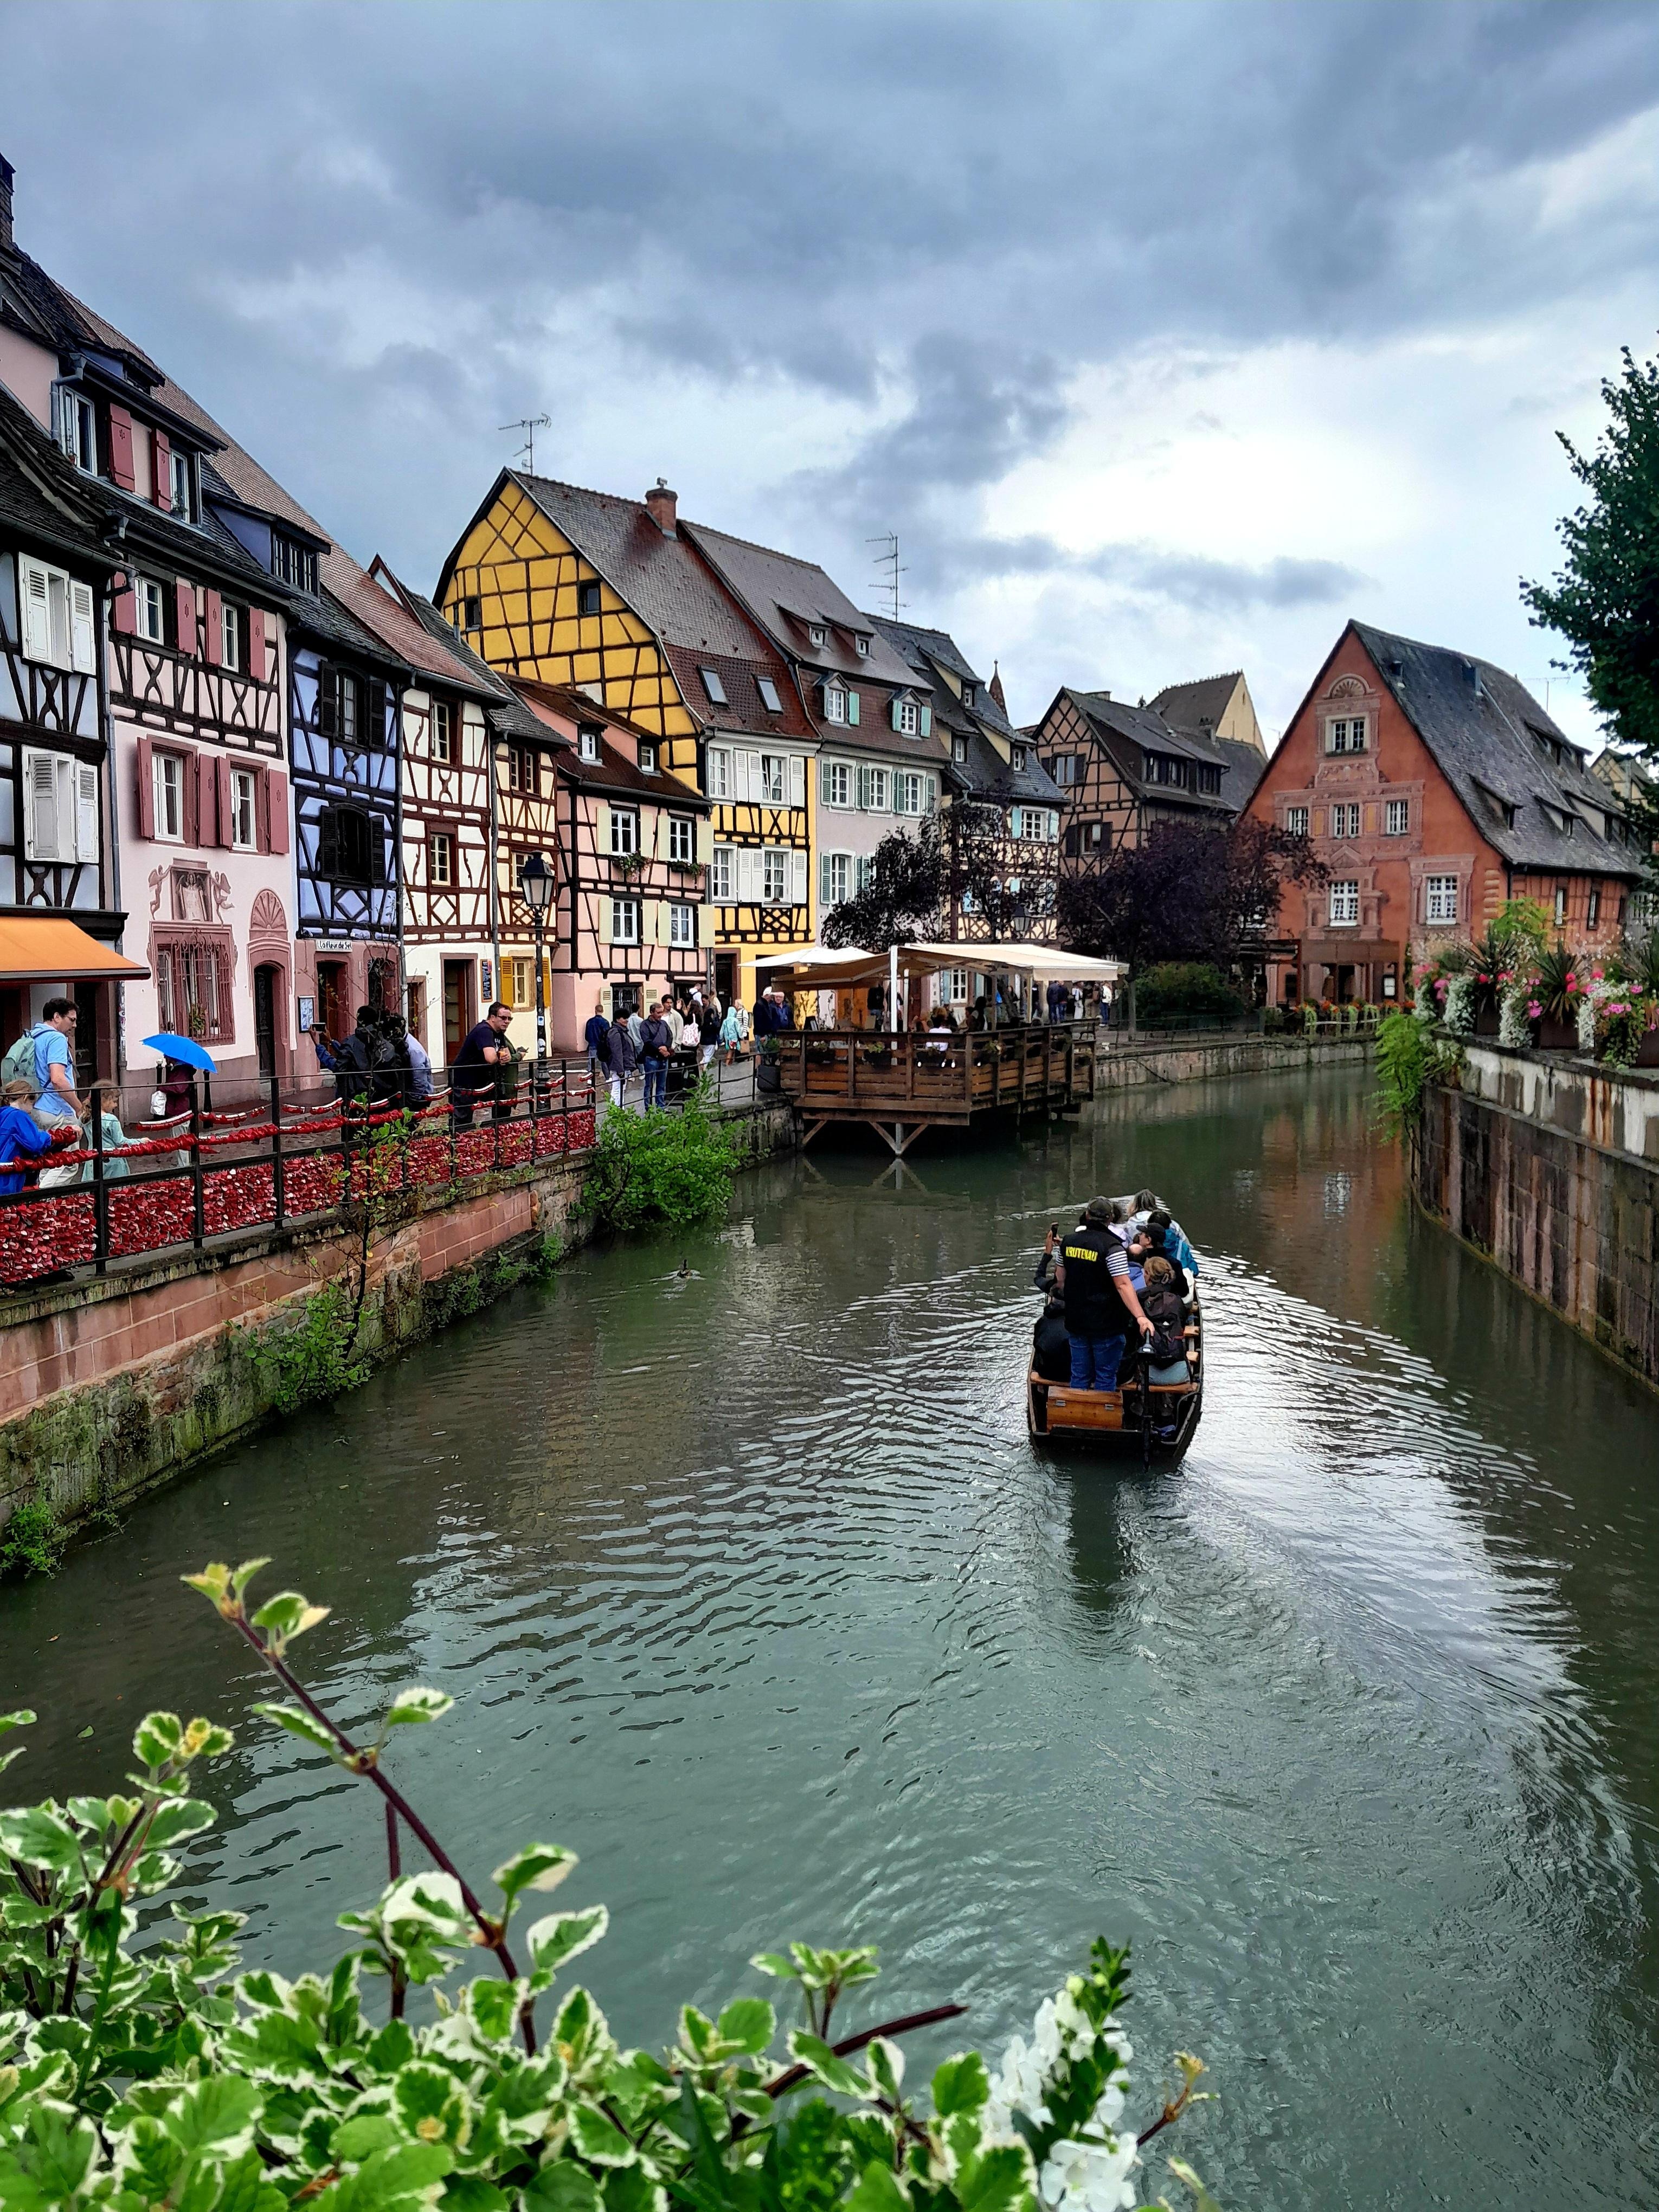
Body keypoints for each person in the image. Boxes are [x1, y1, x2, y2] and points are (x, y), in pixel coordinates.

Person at [1056, 1194, 1152, 1392]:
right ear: (1110, 1219)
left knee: (1079, 1374)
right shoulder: (1113, 1248)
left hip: (1076, 1322)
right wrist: (1141, 1317)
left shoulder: (1067, 1243)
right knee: (1106, 1376)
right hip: (1106, 1325)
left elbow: (1060, 1280)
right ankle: (1103, 1418)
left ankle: (1076, 1417)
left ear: (1087, 1215)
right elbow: (1123, 1285)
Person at [453, 1001, 513, 1128]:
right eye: (503, 1018)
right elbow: (491, 1058)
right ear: (492, 1018)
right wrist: (500, 1056)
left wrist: (503, 1057)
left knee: (503, 1105)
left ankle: (498, 1134)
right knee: (462, 1119)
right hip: (464, 1079)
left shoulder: (499, 1033)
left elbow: (506, 1055)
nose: (507, 1021)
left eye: (509, 1019)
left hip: (483, 1079)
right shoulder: (484, 1031)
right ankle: (457, 1143)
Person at [0, 1078, 59, 1194]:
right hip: (8, 1178)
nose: (31, 1110)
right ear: (26, 1098)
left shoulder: (3, 1113)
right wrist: (47, 1137)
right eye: (32, 1103)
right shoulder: (19, 1116)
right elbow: (35, 1143)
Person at [1141, 1255, 1189, 1383]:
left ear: (1147, 1275)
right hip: (1180, 1373)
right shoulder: (1177, 1301)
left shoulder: (1139, 1299)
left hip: (1148, 1374)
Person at [80, 1084, 135, 1180]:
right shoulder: (111, 1119)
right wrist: (141, 1142)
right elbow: (120, 1142)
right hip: (112, 1163)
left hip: (93, 1161)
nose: (116, 1105)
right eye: (114, 1102)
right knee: (115, 1191)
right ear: (105, 1101)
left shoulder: (85, 1117)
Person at [638, 999, 673, 1111]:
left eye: (662, 1012)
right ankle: (648, 1108)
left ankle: (661, 1107)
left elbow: (670, 1036)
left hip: (663, 1059)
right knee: (649, 1085)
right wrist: (660, 1050)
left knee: (661, 1085)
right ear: (652, 1012)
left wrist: (666, 1048)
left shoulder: (664, 1023)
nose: (661, 1015)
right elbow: (647, 1041)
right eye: (658, 1013)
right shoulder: (645, 1025)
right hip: (651, 1058)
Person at [1032, 1291, 1072, 1382]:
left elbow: (1036, 1344)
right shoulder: (1075, 1322)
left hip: (1046, 1371)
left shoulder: (1042, 1321)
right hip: (1069, 1374)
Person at [604, 1006, 637, 1108]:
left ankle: (619, 1109)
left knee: (621, 1088)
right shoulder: (616, 1032)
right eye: (624, 1018)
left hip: (623, 1066)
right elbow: (617, 1052)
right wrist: (620, 1069)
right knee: (617, 1088)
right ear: (618, 1019)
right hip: (619, 1067)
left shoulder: (621, 1031)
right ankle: (616, 1110)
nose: (627, 1020)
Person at [584, 998, 610, 1088]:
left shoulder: (590, 1022)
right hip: (602, 1045)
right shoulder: (605, 1022)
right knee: (604, 1062)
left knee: (591, 1062)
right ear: (602, 1011)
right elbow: (607, 1035)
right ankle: (607, 1078)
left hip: (592, 1044)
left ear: (595, 1011)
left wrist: (591, 1041)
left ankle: (589, 1078)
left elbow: (587, 1035)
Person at [698, 994, 723, 1070]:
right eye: (702, 1001)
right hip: (707, 1035)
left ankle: (703, 1064)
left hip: (707, 1033)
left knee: (708, 1053)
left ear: (707, 1000)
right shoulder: (703, 1008)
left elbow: (716, 1020)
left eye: (704, 1001)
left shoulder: (712, 1008)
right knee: (708, 1053)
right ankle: (704, 1066)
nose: (703, 1002)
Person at [719, 999, 745, 1064]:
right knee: (731, 1052)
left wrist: (721, 1039)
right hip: (734, 1039)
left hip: (727, 1039)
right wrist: (742, 1037)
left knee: (731, 1051)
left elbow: (721, 1031)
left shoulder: (725, 1021)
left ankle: (729, 1063)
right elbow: (738, 1030)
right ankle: (727, 1064)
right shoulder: (735, 1021)